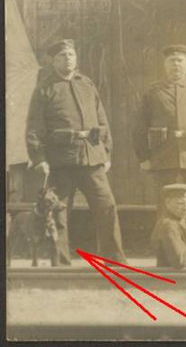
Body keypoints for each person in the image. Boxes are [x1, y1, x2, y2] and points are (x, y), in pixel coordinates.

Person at [26, 39, 126, 265]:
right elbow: (34, 127)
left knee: (107, 208)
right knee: (59, 213)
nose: (68, 59)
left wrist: (106, 152)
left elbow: (102, 120)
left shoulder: (87, 84)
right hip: (61, 162)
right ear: (53, 62)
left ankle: (115, 261)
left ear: (76, 58)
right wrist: (39, 158)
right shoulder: (45, 89)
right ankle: (60, 263)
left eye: (71, 54)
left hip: (92, 159)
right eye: (62, 56)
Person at [133, 44, 186, 231]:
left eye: (180, 61)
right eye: (171, 61)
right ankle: (166, 243)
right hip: (164, 156)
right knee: (165, 204)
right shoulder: (154, 92)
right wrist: (144, 157)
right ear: (165, 65)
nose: (176, 65)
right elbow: (139, 127)